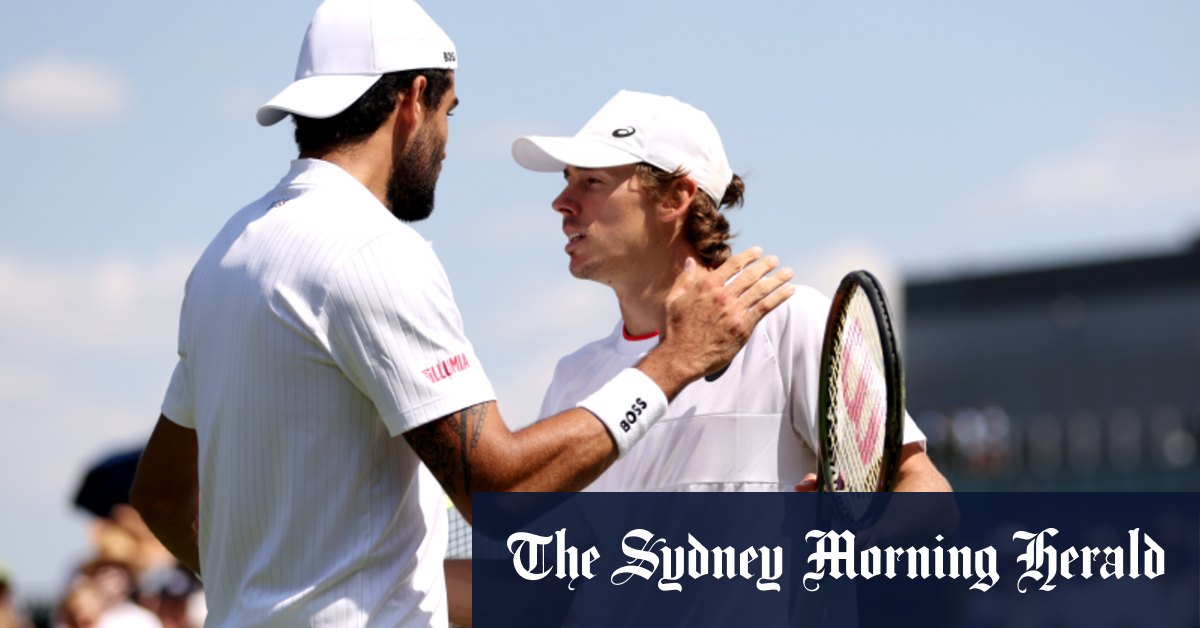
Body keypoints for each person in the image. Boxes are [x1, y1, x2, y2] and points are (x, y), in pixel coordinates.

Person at [128, 1, 794, 627]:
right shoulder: (373, 251)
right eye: (449, 110)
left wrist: (268, 595)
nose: (446, 141)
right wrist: (670, 365)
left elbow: (159, 493)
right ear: (415, 99)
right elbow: (499, 495)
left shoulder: (226, 255)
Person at [512, 90, 950, 493]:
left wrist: (860, 530)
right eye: (567, 179)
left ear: (674, 197)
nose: (561, 202)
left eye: (591, 182)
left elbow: (926, 494)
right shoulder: (571, 380)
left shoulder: (787, 320)